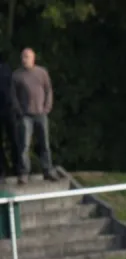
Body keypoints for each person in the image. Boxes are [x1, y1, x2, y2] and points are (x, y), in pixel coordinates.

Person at [12, 47, 58, 184]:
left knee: (45, 144)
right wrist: (19, 111)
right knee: (24, 145)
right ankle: (24, 173)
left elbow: (48, 90)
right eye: (22, 57)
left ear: (33, 58)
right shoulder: (17, 75)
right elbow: (13, 96)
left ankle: (47, 170)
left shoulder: (42, 72)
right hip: (26, 115)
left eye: (26, 57)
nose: (24, 59)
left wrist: (47, 107)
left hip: (40, 114)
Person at [0, 51, 18, 183]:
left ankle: (17, 168)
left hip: (8, 109)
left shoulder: (6, 69)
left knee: (14, 140)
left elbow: (12, 89)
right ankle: (2, 169)